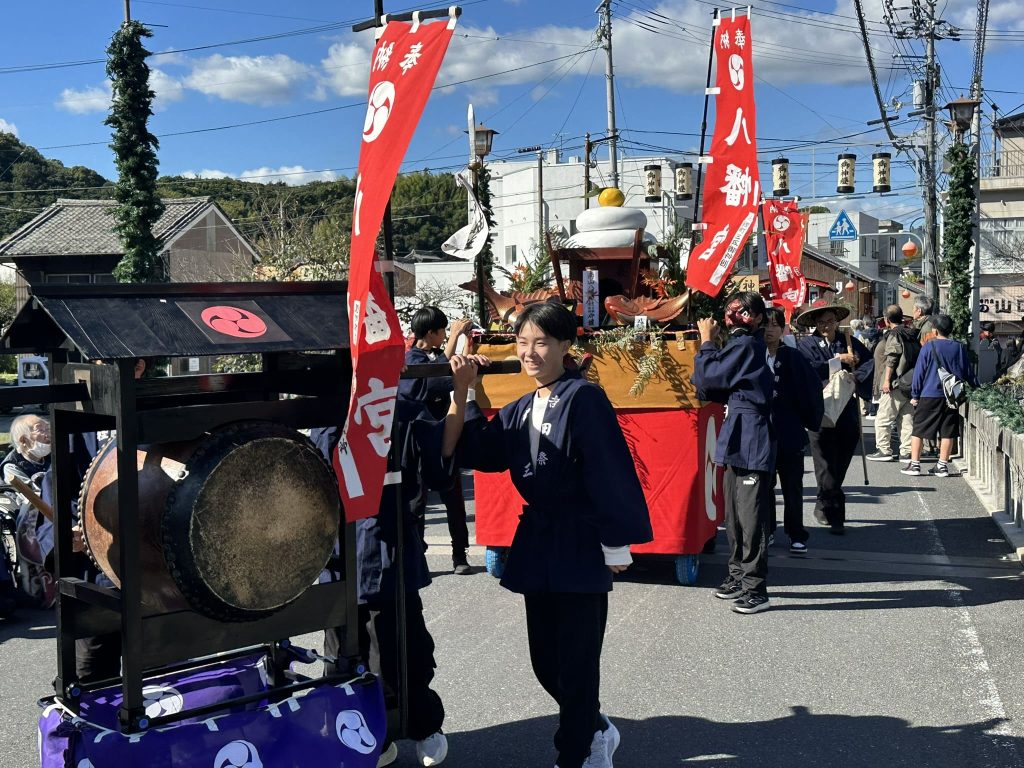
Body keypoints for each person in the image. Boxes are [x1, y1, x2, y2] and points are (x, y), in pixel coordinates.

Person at [445, 301, 653, 768]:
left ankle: (577, 752)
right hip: (538, 541)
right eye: (523, 343)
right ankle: (596, 726)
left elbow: (607, 467)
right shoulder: (521, 407)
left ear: (565, 346)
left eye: (541, 342)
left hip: (579, 540)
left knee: (578, 662)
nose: (530, 352)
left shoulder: (584, 398)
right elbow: (486, 452)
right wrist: (469, 389)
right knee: (546, 661)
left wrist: (614, 542)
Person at [313, 382, 466, 767]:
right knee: (345, 655)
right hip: (340, 552)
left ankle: (425, 726)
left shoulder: (404, 407)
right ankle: (365, 736)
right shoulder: (324, 410)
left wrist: (460, 394)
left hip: (390, 543)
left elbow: (439, 463)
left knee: (404, 648)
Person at [691, 292, 775, 613]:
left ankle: (756, 587)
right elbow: (707, 385)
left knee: (751, 516)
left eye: (736, 311)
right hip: (737, 428)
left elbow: (710, 376)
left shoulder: (746, 344)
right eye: (726, 311)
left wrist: (707, 341)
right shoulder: (741, 346)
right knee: (734, 515)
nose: (728, 317)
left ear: (753, 317)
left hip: (752, 431)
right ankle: (738, 575)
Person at [399, 307, 476, 575]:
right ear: (431, 332)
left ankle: (459, 554)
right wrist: (457, 340)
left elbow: (446, 371)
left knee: (452, 499)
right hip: (420, 442)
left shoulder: (427, 356)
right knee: (417, 502)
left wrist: (461, 346)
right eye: (443, 331)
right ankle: (417, 554)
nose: (445, 335)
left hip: (442, 435)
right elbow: (441, 380)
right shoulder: (412, 359)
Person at [796, 301, 874, 535]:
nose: (826, 326)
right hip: (819, 410)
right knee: (824, 464)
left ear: (837, 321)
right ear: (814, 324)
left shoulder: (849, 342)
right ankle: (835, 513)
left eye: (830, 321)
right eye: (821, 322)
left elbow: (869, 363)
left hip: (846, 411)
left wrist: (854, 378)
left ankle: (824, 501)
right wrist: (838, 361)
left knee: (840, 461)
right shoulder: (807, 345)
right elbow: (808, 369)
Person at [763, 307, 823, 555]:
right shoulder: (752, 355)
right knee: (763, 488)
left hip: (789, 432)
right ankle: (766, 531)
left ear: (783, 329)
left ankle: (796, 533)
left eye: (775, 325)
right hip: (761, 435)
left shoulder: (793, 357)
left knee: (792, 488)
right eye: (765, 324)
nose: (770, 330)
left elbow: (810, 392)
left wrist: (809, 421)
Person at [902, 314, 979, 478]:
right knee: (948, 431)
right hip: (951, 396)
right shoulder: (959, 347)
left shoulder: (929, 347)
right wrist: (977, 388)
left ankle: (915, 465)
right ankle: (942, 466)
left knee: (918, 430)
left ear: (935, 330)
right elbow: (968, 372)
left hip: (929, 394)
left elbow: (919, 373)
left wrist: (915, 394)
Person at [867, 305, 918, 462]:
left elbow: (892, 358)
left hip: (895, 383)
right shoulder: (910, 333)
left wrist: (887, 380)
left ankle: (884, 450)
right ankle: (906, 452)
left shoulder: (894, 335)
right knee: (907, 418)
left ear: (886, 320)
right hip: (910, 382)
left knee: (883, 418)